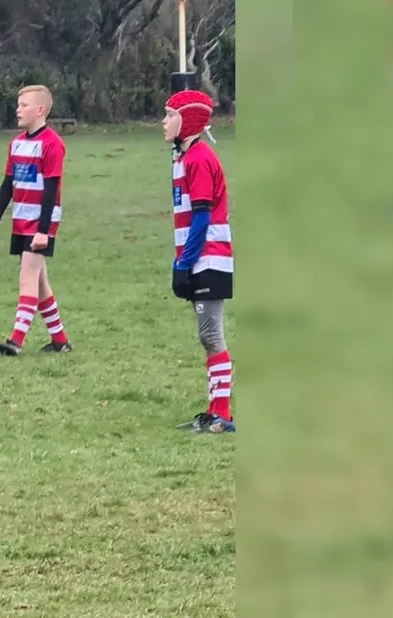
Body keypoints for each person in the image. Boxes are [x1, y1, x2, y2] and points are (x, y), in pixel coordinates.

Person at [162, 90, 235, 434]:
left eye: (170, 115)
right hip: (197, 259)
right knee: (208, 336)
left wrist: (183, 264)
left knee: (211, 334)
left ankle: (222, 415)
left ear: (187, 121)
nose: (163, 122)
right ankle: (213, 410)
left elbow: (202, 217)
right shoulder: (183, 158)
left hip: (208, 259)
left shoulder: (199, 159)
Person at [0, 85, 72, 356]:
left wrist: (43, 231)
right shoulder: (16, 144)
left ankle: (16, 340)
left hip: (40, 223)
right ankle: (60, 341)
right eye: (18, 104)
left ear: (40, 110)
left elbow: (51, 190)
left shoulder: (52, 144)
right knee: (40, 283)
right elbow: (7, 184)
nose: (18, 110)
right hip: (21, 220)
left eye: (24, 105)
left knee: (27, 277)